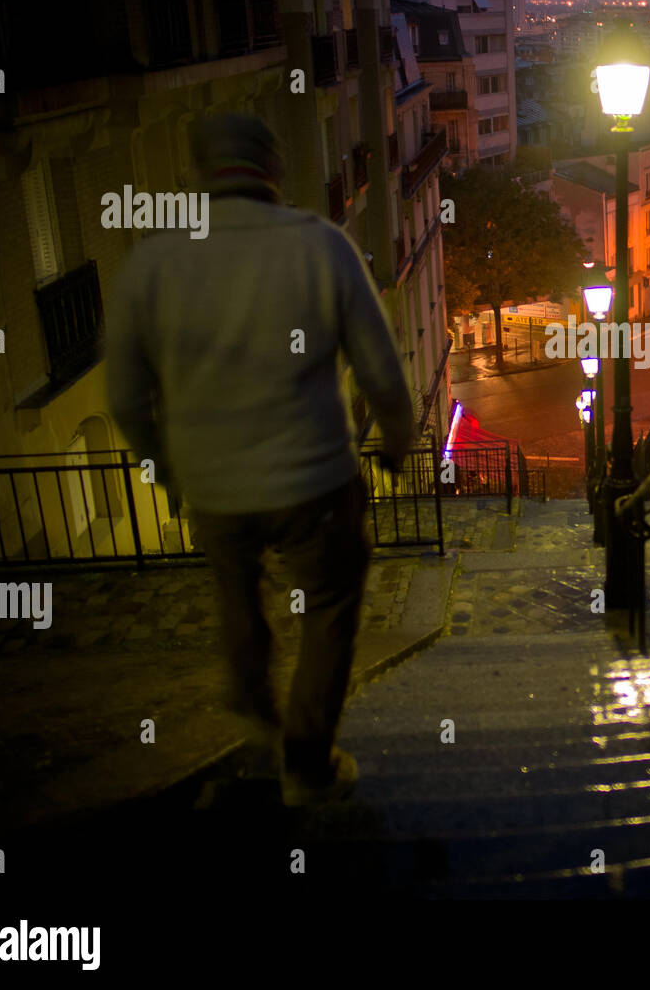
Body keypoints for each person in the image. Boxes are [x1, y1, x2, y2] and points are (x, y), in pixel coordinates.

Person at [105, 112, 415, 806]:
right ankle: (306, 763)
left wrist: (167, 466)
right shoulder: (319, 245)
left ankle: (250, 699)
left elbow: (124, 394)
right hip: (314, 476)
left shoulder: (154, 260)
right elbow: (382, 372)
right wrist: (393, 444)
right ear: (271, 171)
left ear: (198, 174)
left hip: (212, 483)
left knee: (236, 593)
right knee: (331, 608)